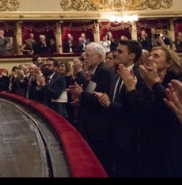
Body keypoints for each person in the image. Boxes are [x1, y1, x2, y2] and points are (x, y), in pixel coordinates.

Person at [118, 46, 182, 177]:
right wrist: (129, 88)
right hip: (144, 147)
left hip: (166, 150)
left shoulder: (175, 83)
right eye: (149, 56)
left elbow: (156, 113)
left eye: (156, 56)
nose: (150, 58)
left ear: (168, 63)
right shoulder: (145, 83)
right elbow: (135, 111)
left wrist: (132, 88)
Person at [95, 39, 143, 177]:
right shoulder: (117, 75)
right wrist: (105, 100)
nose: (115, 54)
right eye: (116, 50)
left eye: (120, 51)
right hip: (113, 132)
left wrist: (110, 104)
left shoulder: (137, 77)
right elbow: (113, 99)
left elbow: (134, 109)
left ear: (132, 56)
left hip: (128, 137)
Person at [66, 42, 114, 175]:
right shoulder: (98, 70)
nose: (85, 58)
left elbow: (96, 95)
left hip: (100, 124)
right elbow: (90, 92)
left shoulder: (103, 71)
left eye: (88, 55)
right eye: (85, 55)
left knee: (101, 160)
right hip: (93, 122)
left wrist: (81, 91)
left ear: (99, 57)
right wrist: (81, 97)